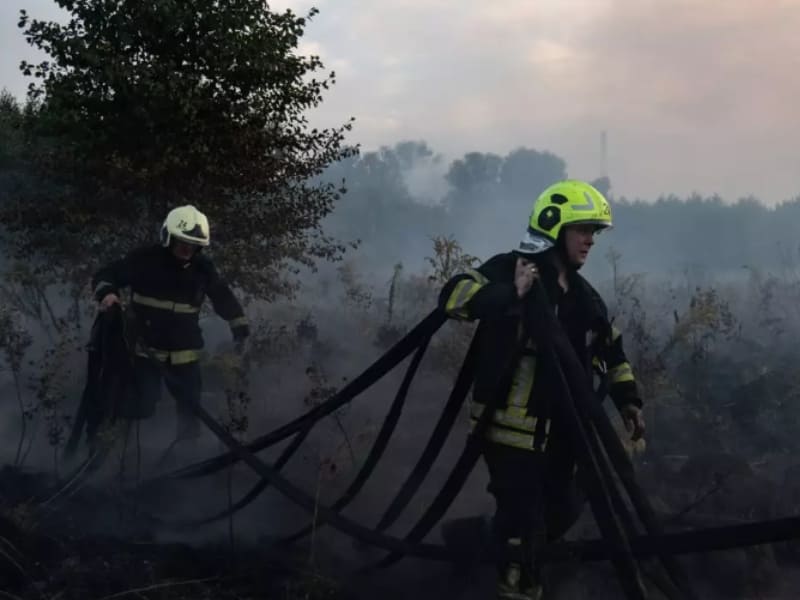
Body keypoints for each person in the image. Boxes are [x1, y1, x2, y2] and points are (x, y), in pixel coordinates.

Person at [438, 180, 646, 599]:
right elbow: (453, 296)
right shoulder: (512, 269)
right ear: (554, 227)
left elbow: (612, 352)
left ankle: (475, 539)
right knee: (525, 530)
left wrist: (628, 401)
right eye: (582, 229)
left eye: (594, 232)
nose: (590, 240)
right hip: (510, 429)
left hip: (565, 431)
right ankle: (517, 583)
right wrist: (510, 294)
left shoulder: (585, 298)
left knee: (562, 511)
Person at [91, 204, 249, 443]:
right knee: (140, 406)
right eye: (182, 242)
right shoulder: (144, 260)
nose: (187, 249)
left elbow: (221, 295)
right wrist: (108, 294)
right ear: (169, 237)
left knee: (191, 413)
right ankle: (110, 441)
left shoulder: (203, 269)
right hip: (146, 353)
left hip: (185, 355)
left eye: (193, 244)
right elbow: (106, 274)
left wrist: (239, 324)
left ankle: (185, 456)